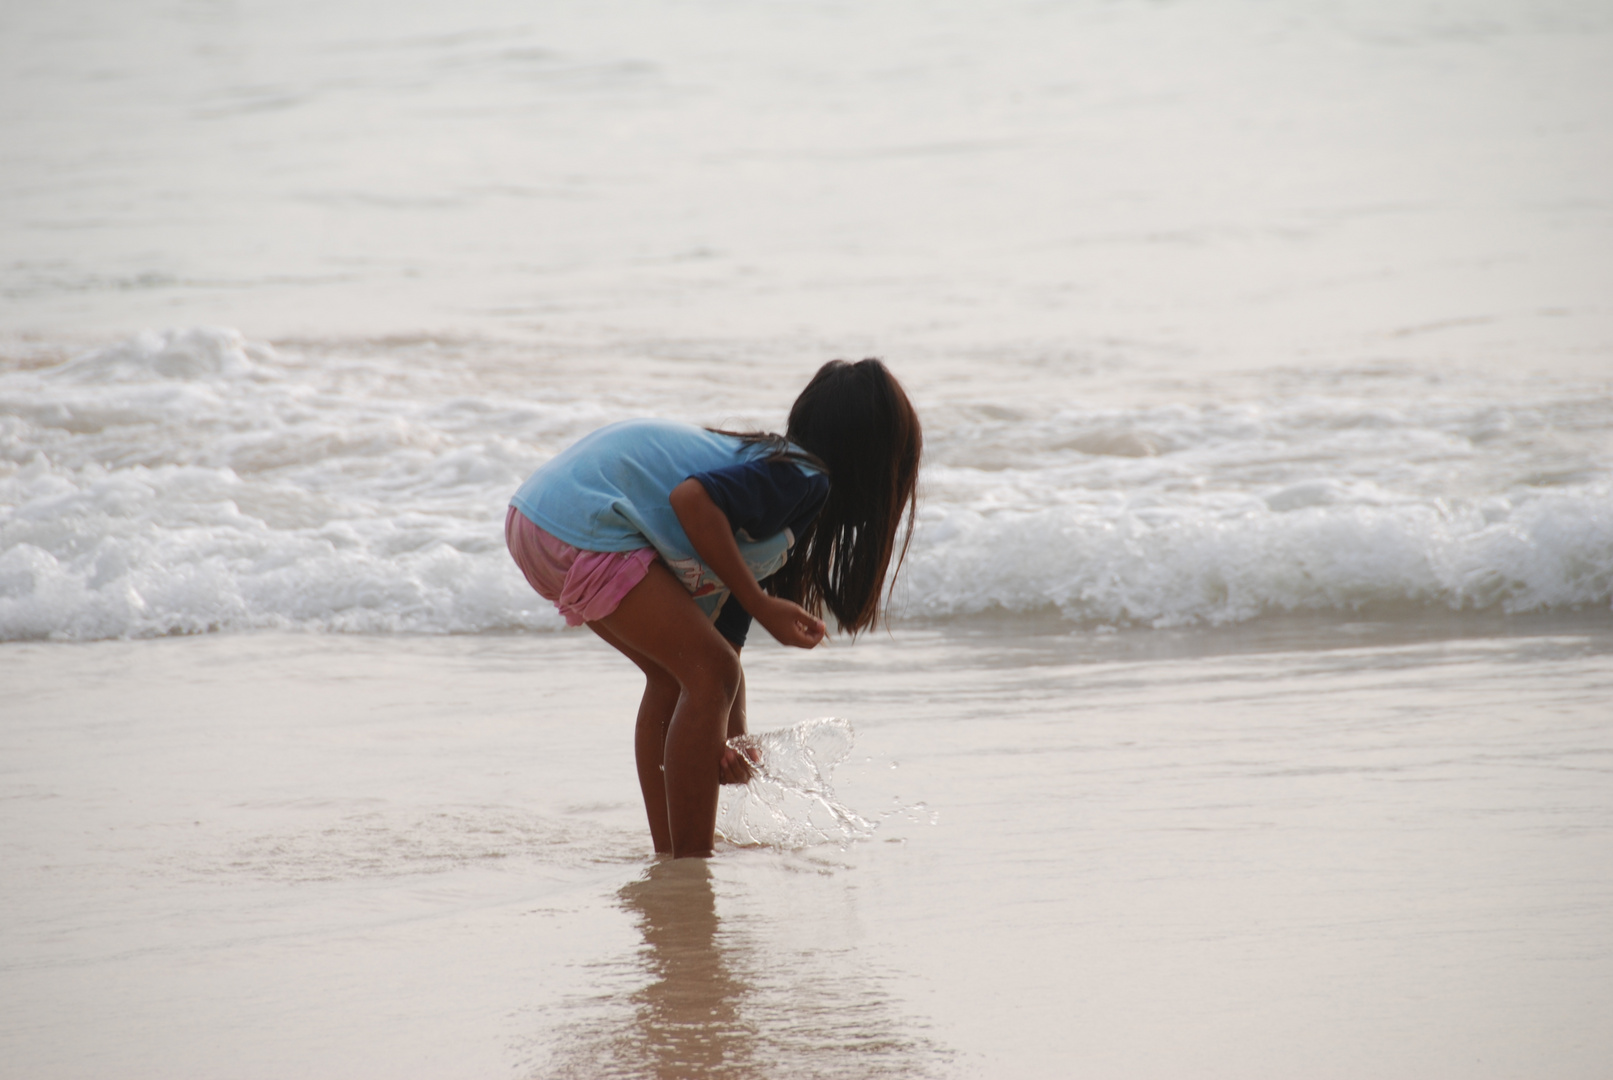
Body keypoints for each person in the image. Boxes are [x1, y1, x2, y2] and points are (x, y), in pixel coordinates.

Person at [505, 359, 922, 858]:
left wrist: (732, 737)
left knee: (680, 676)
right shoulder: (803, 478)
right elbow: (692, 500)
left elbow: (725, 650)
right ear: (878, 464)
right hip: (583, 522)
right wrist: (762, 603)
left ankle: (672, 857)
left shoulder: (777, 494)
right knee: (705, 674)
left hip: (541, 518)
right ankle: (690, 865)